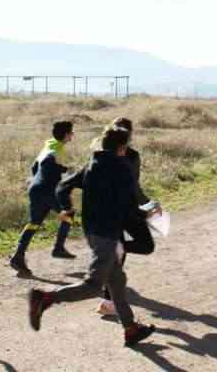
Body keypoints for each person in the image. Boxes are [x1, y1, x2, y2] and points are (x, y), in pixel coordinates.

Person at [28, 127, 156, 348]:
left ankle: (130, 329)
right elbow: (127, 206)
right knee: (94, 285)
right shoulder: (122, 170)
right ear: (122, 147)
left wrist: (67, 209)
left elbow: (62, 188)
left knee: (116, 282)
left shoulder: (90, 166)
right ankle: (46, 298)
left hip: (93, 232)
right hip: (108, 234)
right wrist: (147, 214)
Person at [96, 117, 158, 317]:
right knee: (132, 250)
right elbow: (134, 187)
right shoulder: (131, 156)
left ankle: (107, 300)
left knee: (119, 254)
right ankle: (108, 302)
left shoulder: (99, 154)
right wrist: (147, 206)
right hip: (124, 210)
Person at [9, 121, 75, 277]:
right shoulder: (56, 149)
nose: (73, 135)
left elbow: (34, 167)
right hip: (47, 191)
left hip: (35, 189)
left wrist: (39, 180)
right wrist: (66, 169)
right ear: (66, 135)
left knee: (34, 223)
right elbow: (48, 164)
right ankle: (58, 248)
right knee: (68, 214)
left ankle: (18, 256)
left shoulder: (49, 144)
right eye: (71, 132)